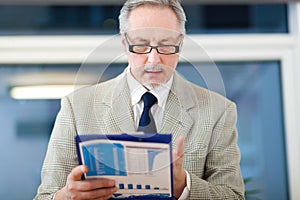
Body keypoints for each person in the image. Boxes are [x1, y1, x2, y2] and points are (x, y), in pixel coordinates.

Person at [34, 0, 245, 199]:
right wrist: (66, 196)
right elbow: (45, 196)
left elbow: (233, 196)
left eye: (165, 45)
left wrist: (183, 185)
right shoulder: (77, 107)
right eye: (141, 45)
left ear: (180, 43)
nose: (154, 60)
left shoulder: (218, 111)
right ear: (124, 42)